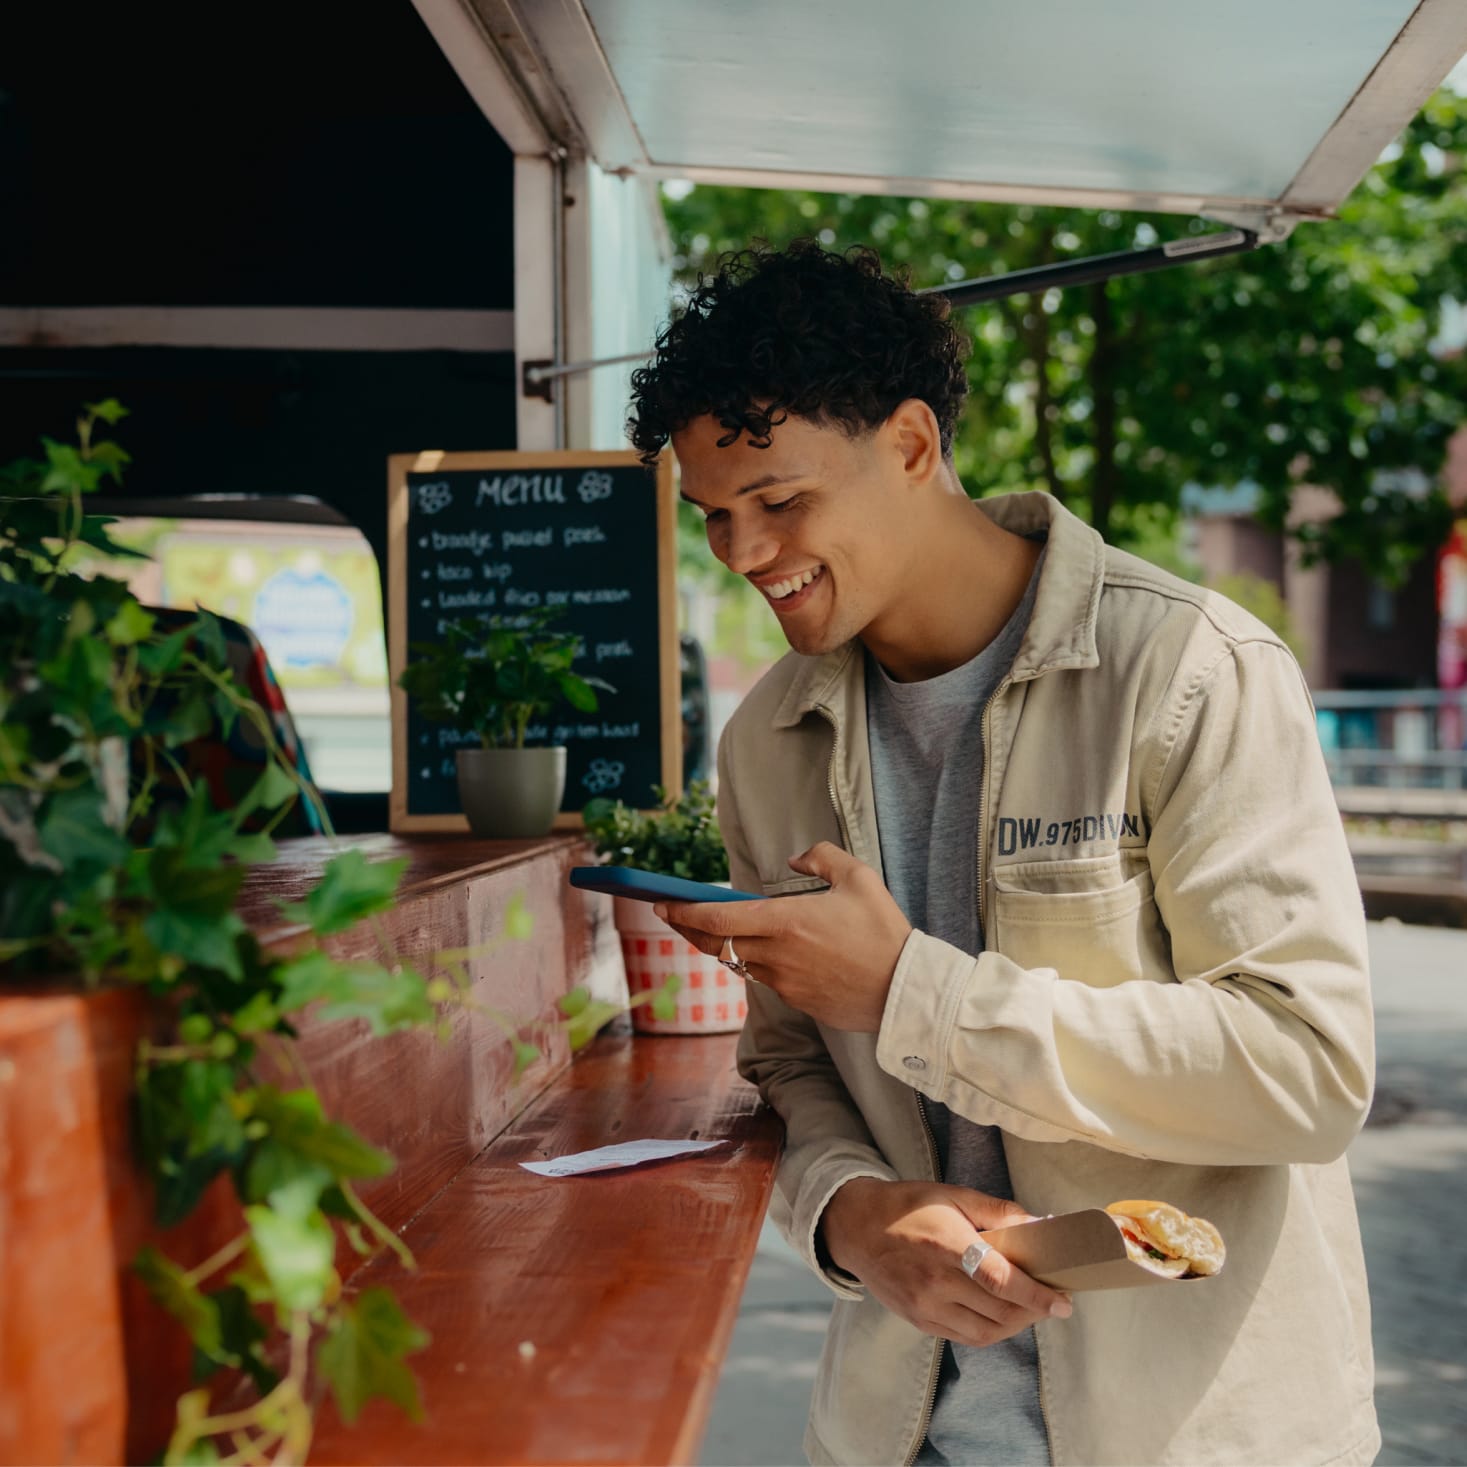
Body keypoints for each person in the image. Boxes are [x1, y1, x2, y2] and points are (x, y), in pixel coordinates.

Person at [628, 240, 1377, 1467]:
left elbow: (1308, 1070)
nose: (743, 554)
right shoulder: (767, 742)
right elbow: (785, 1068)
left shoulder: (1190, 673)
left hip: (1203, 1437)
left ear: (914, 446)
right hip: (897, 1433)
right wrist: (855, 1218)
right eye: (714, 516)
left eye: (780, 502)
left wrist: (911, 993)